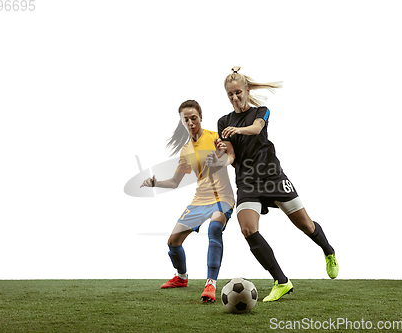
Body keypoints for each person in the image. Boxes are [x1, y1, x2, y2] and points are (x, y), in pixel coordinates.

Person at [209, 66, 339, 302]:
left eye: (238, 92)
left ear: (247, 90)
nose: (235, 98)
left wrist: (237, 130)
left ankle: (328, 251)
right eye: (230, 94)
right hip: (247, 181)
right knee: (247, 228)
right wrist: (221, 154)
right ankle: (281, 281)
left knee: (306, 225)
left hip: (272, 177)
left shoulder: (262, 112)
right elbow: (231, 158)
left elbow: (257, 129)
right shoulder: (223, 122)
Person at [140, 100, 235, 303]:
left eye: (194, 118)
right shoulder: (186, 150)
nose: (191, 122)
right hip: (200, 200)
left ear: (201, 117)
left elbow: (230, 156)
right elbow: (175, 182)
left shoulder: (215, 137)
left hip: (222, 198)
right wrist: (155, 183)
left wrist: (221, 156)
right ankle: (181, 278)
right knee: (173, 243)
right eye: (186, 119)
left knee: (214, 229)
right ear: (182, 122)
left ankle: (210, 284)